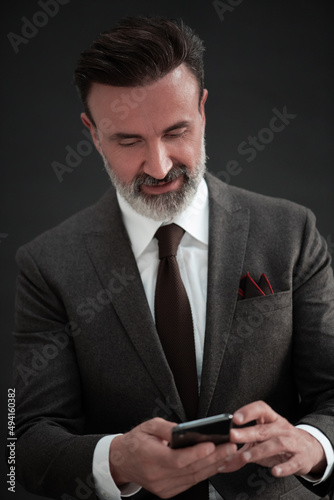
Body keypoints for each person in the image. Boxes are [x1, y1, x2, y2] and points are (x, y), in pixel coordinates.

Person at [12, 16, 334, 500]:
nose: (159, 166)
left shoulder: (292, 230)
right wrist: (116, 459)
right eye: (128, 140)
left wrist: (310, 444)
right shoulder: (45, 265)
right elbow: (23, 444)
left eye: (176, 131)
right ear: (93, 133)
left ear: (203, 110)